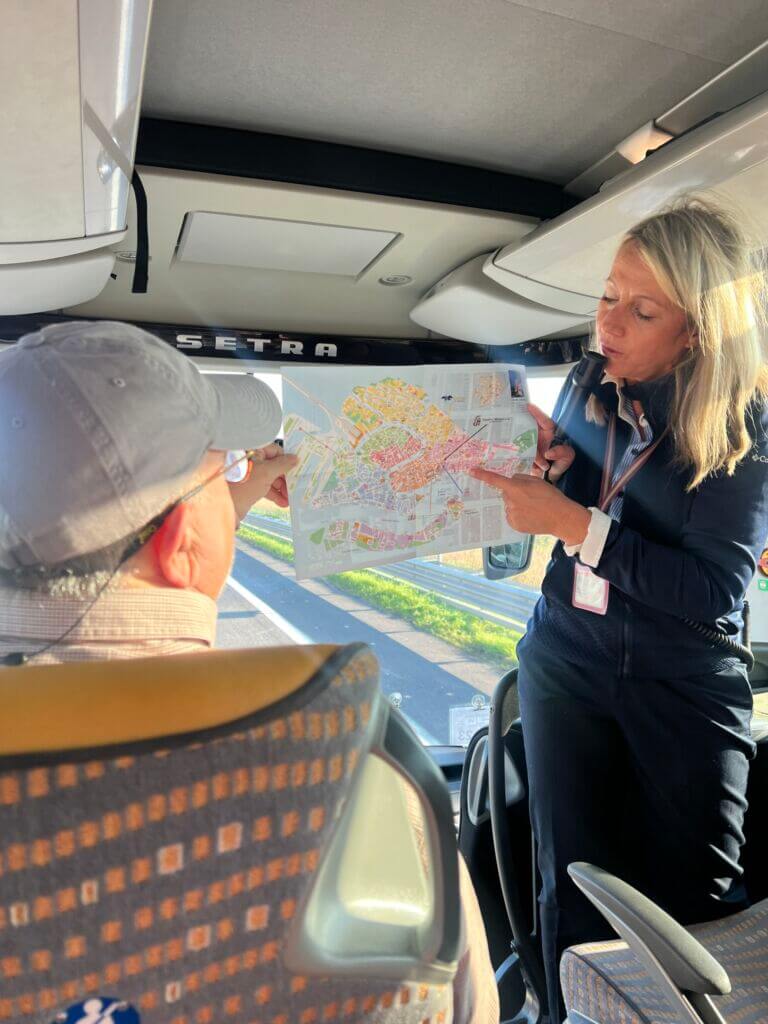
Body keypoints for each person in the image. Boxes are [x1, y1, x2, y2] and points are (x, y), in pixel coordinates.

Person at [0, 320, 498, 1024]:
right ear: (180, 538)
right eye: (223, 469)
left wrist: (208, 510)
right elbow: (470, 1008)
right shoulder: (358, 755)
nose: (239, 479)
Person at [472, 194, 768, 1020]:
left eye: (642, 311)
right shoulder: (585, 382)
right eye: (607, 296)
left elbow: (712, 589)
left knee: (695, 900)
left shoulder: (743, 427)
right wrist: (554, 469)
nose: (609, 323)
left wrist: (574, 522)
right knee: (567, 882)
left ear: (696, 332)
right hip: (566, 657)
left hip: (681, 680)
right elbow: (579, 506)